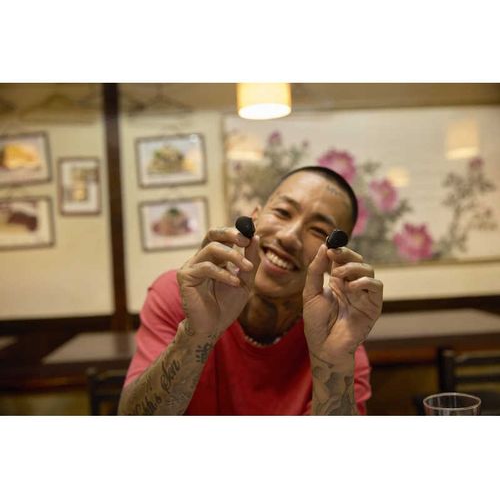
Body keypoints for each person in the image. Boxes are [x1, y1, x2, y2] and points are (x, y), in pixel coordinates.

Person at [118, 166, 383, 415]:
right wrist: (196, 335)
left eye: (318, 230)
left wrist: (333, 360)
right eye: (283, 212)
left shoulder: (338, 338)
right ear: (256, 216)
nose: (289, 236)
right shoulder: (183, 294)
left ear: (335, 257)